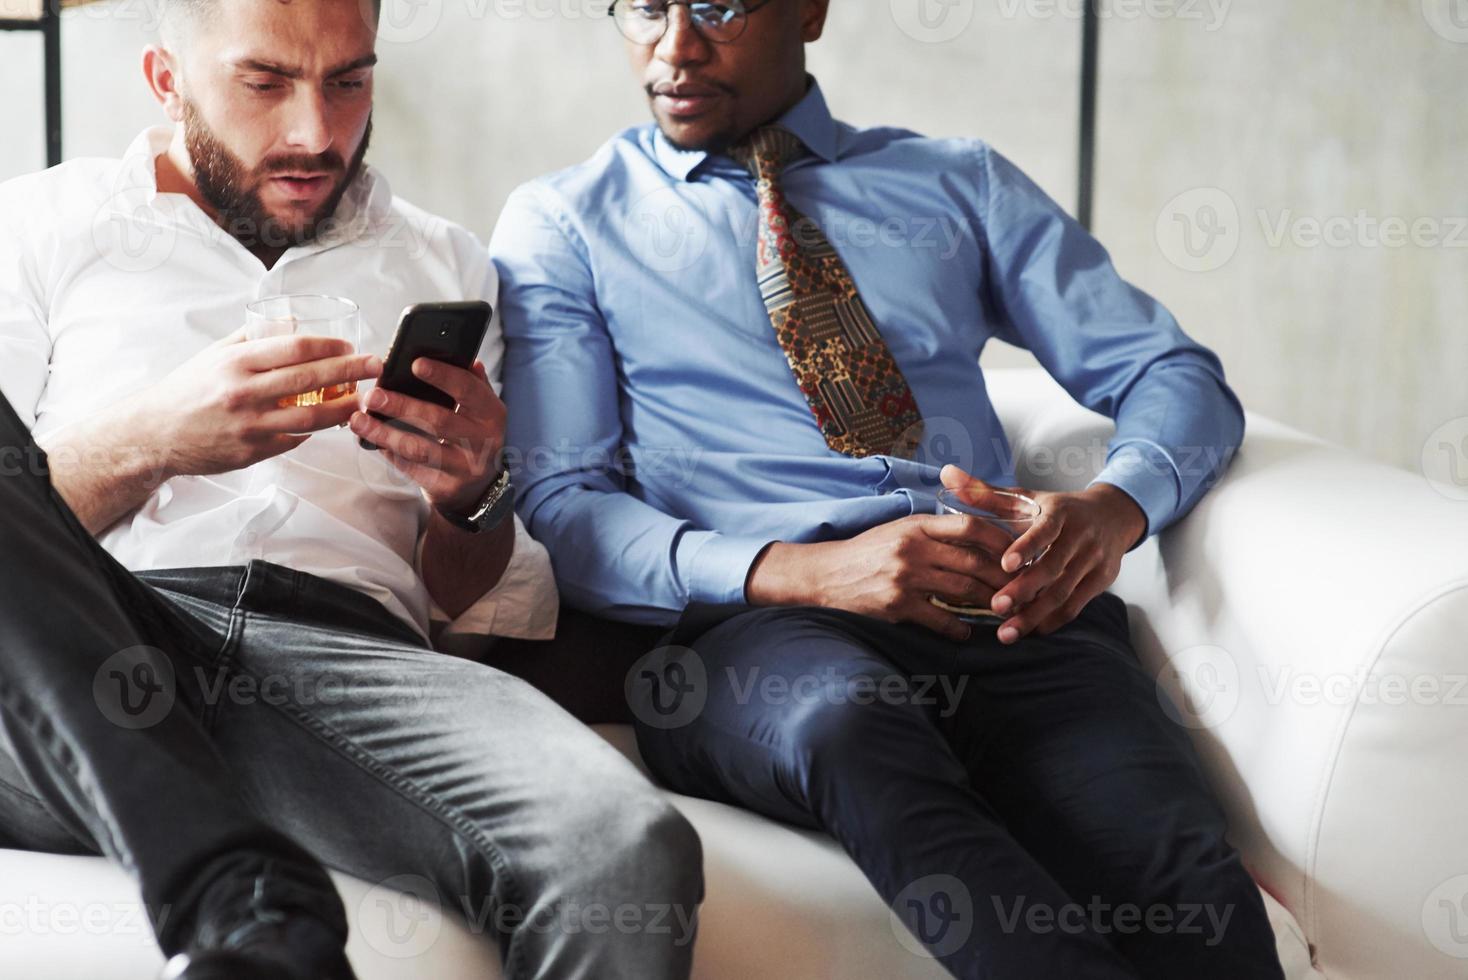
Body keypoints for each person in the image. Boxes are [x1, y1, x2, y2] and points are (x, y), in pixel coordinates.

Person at [492, 1, 1283, 977]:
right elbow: (560, 502)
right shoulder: (566, 221)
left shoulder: (956, 183)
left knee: (1184, 881)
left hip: (1002, 605)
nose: (674, 47)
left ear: (809, 10)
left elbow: (1170, 373)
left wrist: (1114, 507)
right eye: (645, 7)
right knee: (843, 721)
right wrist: (807, 571)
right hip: (749, 634)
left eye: (719, 6)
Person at [0, 0, 701, 977]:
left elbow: (470, 610)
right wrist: (153, 439)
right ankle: (234, 889)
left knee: (619, 846)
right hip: (95, 647)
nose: (315, 133)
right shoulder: (38, 224)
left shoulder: (444, 261)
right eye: (264, 83)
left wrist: (473, 494)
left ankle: (240, 892)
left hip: (347, 671)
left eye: (348, 80)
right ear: (168, 80)